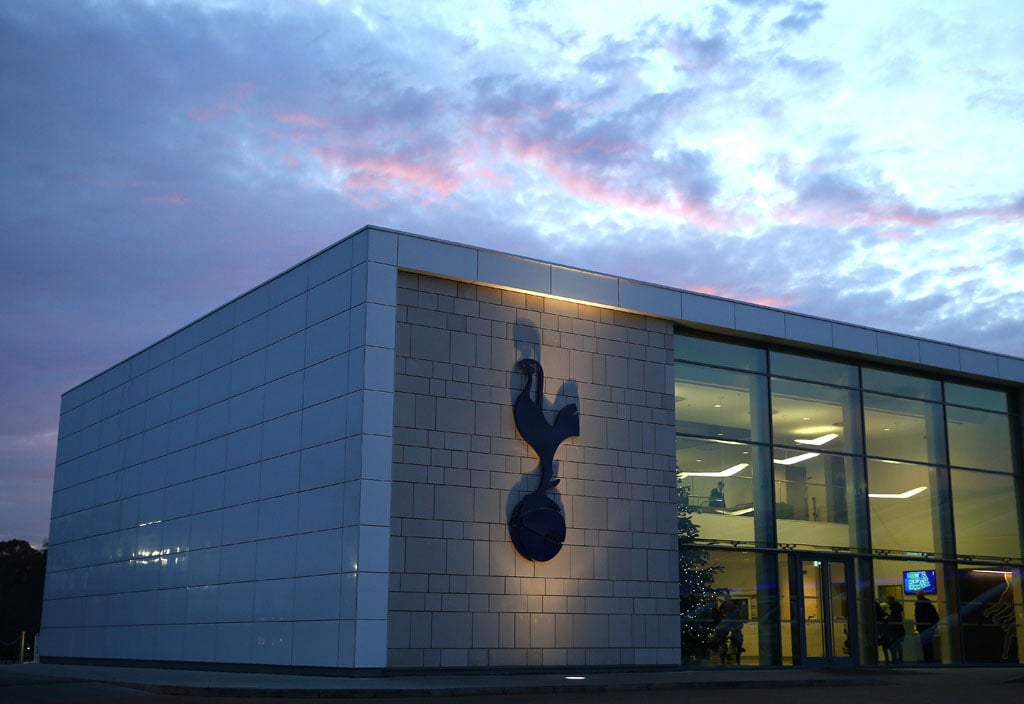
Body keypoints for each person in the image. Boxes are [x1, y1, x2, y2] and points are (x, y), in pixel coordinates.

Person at [914, 590, 940, 662]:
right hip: (929, 627)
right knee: (929, 644)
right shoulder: (929, 605)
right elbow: (935, 617)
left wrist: (918, 627)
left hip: (922, 627)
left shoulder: (918, 605)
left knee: (924, 645)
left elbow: (918, 618)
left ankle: (927, 659)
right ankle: (930, 659)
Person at [885, 595, 906, 664]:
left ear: (891, 600)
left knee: (893, 644)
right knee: (897, 644)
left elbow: (892, 619)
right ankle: (899, 659)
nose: (887, 602)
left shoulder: (894, 609)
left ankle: (895, 658)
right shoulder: (897, 608)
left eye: (887, 600)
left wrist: (887, 619)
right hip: (898, 629)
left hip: (895, 629)